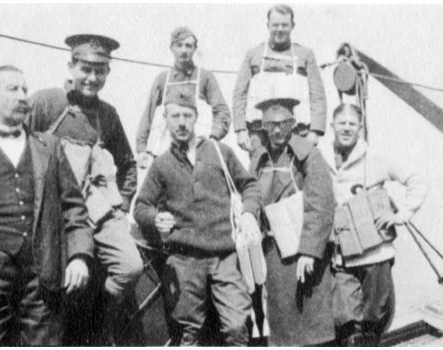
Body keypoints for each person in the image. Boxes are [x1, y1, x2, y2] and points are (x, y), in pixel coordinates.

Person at [0, 66, 94, 346]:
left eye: (25, 89)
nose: (23, 96)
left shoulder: (49, 146)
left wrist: (79, 256)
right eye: (13, 89)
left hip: (42, 279)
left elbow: (74, 207)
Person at [25, 34, 143, 345]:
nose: (92, 78)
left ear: (108, 73)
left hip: (96, 214)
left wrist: (121, 206)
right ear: (71, 66)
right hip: (51, 212)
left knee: (130, 267)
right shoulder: (46, 102)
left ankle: (96, 320)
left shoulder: (108, 114)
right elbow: (18, 150)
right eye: (86, 69)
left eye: (100, 71)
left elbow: (128, 166)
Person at [134, 86, 262, 346]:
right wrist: (155, 218)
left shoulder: (219, 152)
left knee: (238, 325)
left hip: (224, 255)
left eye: (187, 116)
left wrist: (249, 213)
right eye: (175, 117)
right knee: (188, 331)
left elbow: (250, 185)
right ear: (166, 121)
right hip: (184, 259)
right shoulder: (162, 165)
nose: (181, 123)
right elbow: (141, 206)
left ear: (195, 117)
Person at [320, 104, 428, 346]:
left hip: (375, 258)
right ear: (332, 126)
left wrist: (402, 214)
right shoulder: (323, 160)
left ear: (360, 127)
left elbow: (417, 180)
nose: (346, 128)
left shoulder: (376, 158)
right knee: (346, 323)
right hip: (341, 260)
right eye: (341, 123)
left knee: (374, 322)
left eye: (352, 124)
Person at [250, 97, 336, 346]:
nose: (277, 130)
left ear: (293, 123)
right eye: (270, 124)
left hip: (304, 255)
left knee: (311, 328)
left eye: (283, 123)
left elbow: (320, 204)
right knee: (282, 326)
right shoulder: (260, 159)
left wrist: (309, 251)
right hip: (273, 253)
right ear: (264, 126)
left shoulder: (308, 155)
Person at [233, 4, 327, 167]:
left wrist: (315, 132)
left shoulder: (305, 55)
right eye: (275, 25)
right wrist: (240, 130)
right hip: (260, 132)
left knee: (297, 175)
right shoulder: (253, 54)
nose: (280, 29)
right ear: (268, 25)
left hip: (297, 131)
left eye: (284, 25)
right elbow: (239, 94)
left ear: (292, 26)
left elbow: (317, 95)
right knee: (260, 176)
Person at [136, 26, 231, 168]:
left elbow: (222, 112)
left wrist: (213, 136)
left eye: (188, 46)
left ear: (194, 49)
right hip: (166, 150)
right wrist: (141, 148)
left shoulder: (205, 77)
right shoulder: (162, 79)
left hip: (198, 152)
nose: (183, 50)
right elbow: (148, 115)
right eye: (179, 45)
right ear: (171, 48)